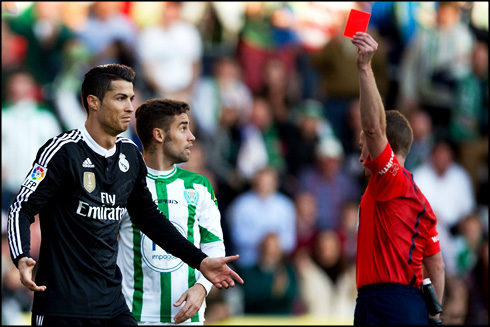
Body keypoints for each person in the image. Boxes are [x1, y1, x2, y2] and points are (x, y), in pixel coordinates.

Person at [6, 63, 243, 327]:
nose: (130, 107)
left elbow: (150, 219)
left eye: (131, 98)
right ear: (93, 102)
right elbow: (22, 208)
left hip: (111, 305)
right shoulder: (63, 151)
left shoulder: (130, 155)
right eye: (120, 98)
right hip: (64, 306)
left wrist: (199, 261)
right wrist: (21, 255)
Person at [351, 32, 445, 325]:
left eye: (363, 145)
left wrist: (365, 68)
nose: (361, 152)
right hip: (413, 306)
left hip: (383, 304)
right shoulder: (421, 201)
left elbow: (374, 129)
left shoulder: (388, 179)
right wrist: (434, 315)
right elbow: (437, 266)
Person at [117, 98, 226, 325]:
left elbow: (213, 244)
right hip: (133, 317)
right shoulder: (122, 184)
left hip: (188, 317)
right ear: (159, 135)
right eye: (183, 128)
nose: (191, 137)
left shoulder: (199, 185)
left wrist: (202, 288)